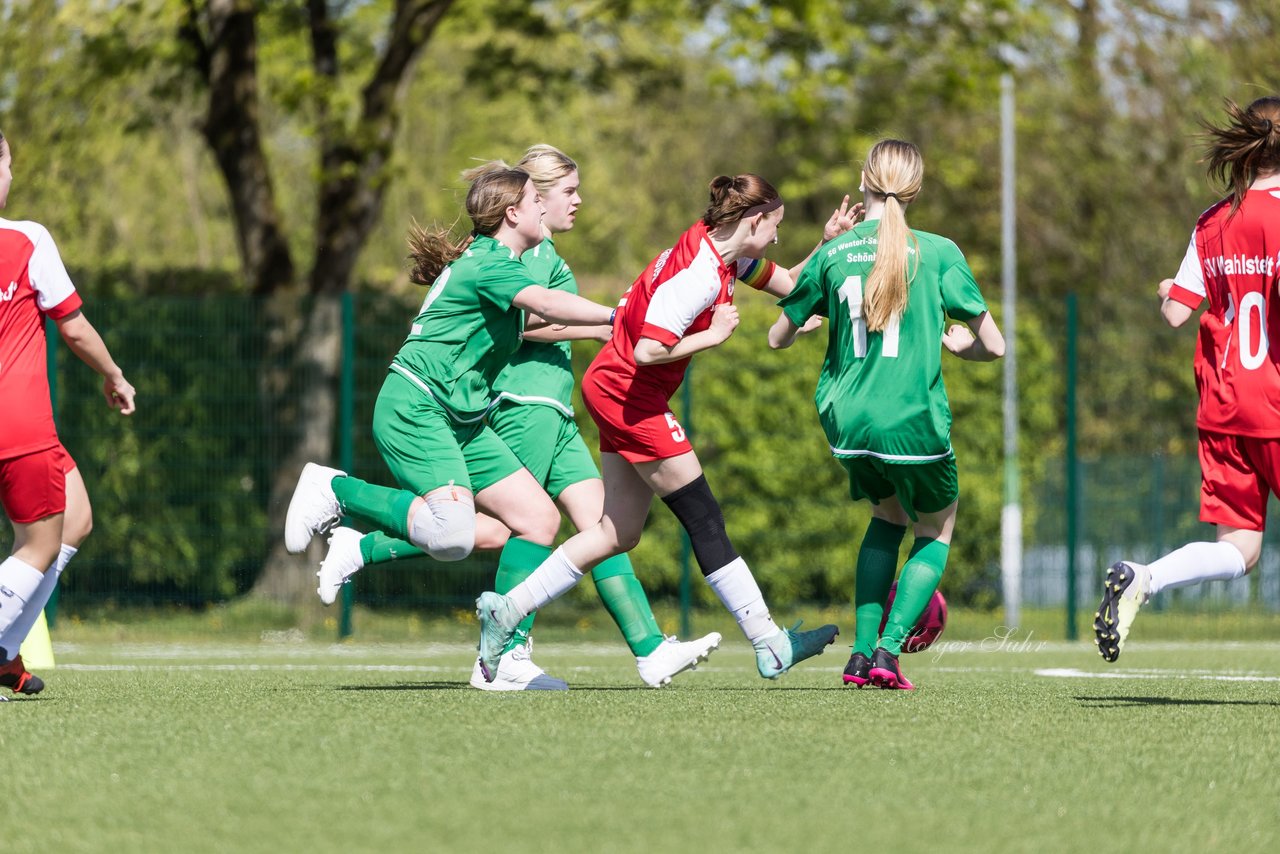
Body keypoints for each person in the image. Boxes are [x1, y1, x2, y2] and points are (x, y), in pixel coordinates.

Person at [318, 145, 723, 689]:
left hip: (554, 410)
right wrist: (613, 320)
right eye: (567, 192)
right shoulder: (523, 255)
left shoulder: (541, 253)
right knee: (504, 529)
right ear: (531, 200)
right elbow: (533, 318)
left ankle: (649, 648)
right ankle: (503, 649)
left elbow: (539, 314)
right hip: (520, 404)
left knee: (603, 529)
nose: (577, 202)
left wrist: (605, 327)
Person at [475, 173, 855, 683]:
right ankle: (770, 643)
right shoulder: (700, 273)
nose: (777, 238)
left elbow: (790, 285)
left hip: (613, 386)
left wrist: (826, 245)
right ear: (754, 220)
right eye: (776, 227)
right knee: (703, 516)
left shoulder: (723, 252)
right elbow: (647, 350)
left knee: (617, 532)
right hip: (630, 392)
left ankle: (507, 611)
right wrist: (713, 337)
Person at [769, 139, 1004, 690]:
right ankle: (887, 652)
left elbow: (779, 337)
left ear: (864, 178)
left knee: (885, 518)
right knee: (936, 529)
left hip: (848, 422)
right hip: (912, 419)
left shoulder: (833, 252)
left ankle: (857, 655)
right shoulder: (939, 251)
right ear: (916, 189)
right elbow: (994, 346)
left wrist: (809, 316)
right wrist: (957, 343)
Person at [1094, 96, 1280, 662]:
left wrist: (1165, 290)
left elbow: (1177, 311)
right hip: (1275, 399)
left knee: (1241, 550)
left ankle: (1145, 577)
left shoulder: (1212, 220)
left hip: (1225, 407)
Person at [0, 128, 137, 697]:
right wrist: (113, 375)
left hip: (28, 434)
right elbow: (74, 327)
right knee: (37, 544)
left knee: (75, 518)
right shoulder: (26, 240)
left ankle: (6, 653)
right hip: (17, 424)